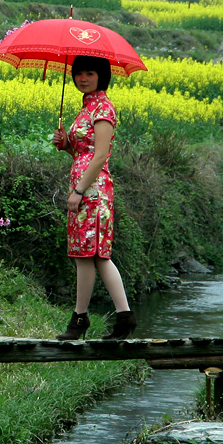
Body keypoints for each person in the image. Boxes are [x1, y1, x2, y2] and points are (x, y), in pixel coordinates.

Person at [52, 55, 137, 340]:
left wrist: (78, 191)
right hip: (81, 186)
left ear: (101, 76)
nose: (82, 78)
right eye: (78, 74)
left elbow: (100, 155)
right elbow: (82, 153)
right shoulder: (85, 109)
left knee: (97, 256)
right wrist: (66, 145)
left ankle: (120, 318)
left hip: (94, 191)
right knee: (83, 256)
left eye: (89, 73)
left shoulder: (103, 108)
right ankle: (81, 319)